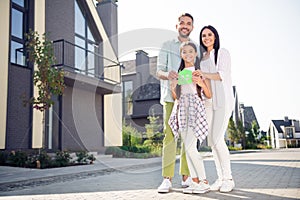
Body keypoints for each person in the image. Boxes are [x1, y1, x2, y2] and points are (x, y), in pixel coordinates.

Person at [156, 13, 199, 193]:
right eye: (182, 23)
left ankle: (186, 176)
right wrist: (169, 75)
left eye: (188, 24)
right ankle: (167, 179)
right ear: (177, 26)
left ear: (192, 27)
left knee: (188, 138)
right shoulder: (167, 45)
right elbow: (159, 71)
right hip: (170, 97)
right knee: (170, 136)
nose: (185, 26)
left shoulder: (195, 48)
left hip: (190, 98)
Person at [195, 25, 235, 193]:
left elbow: (221, 75)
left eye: (209, 34)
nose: (206, 38)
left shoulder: (222, 53)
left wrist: (203, 75)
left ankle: (229, 178)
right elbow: (203, 83)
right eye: (203, 35)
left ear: (215, 36)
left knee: (218, 139)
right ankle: (220, 178)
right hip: (208, 101)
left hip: (223, 101)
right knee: (212, 142)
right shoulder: (201, 58)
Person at [168, 41, 212, 194]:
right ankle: (195, 181)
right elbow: (177, 97)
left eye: (190, 51)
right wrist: (173, 88)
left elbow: (208, 94)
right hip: (182, 110)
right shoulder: (180, 74)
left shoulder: (198, 72)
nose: (188, 54)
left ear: (195, 54)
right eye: (184, 52)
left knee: (191, 148)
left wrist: (201, 82)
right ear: (181, 55)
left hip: (194, 109)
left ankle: (204, 181)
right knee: (187, 148)